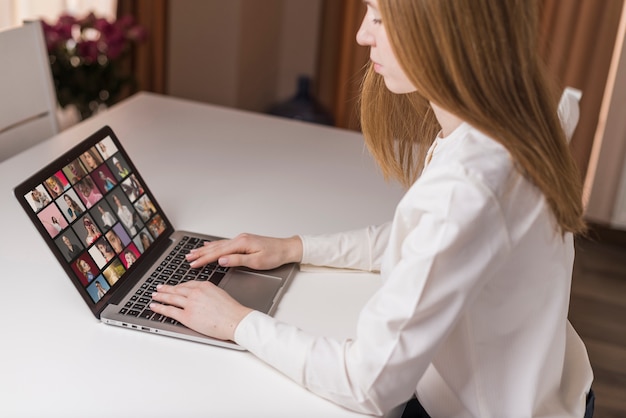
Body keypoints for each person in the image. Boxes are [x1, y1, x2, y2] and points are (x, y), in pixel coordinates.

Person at [151, 1, 594, 417]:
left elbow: (370, 384)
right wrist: (296, 247)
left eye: (379, 16)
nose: (363, 35)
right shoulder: (516, 120)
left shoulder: (469, 187)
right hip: (553, 392)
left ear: (444, 30)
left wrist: (236, 321)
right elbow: (426, 240)